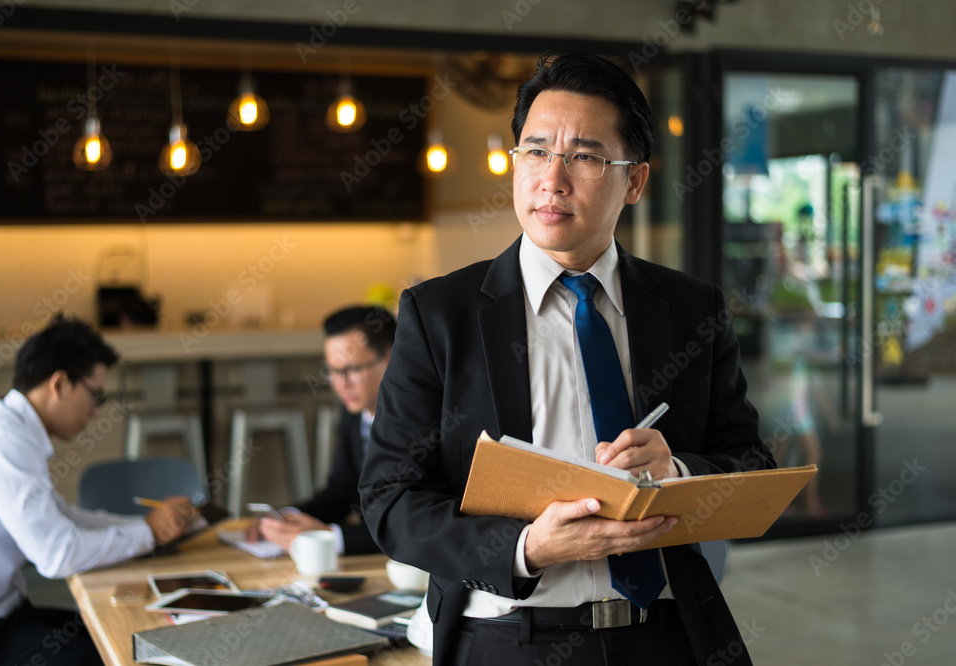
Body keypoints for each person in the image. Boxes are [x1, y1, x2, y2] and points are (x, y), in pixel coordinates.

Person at [359, 52, 776, 666]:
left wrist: (681, 472)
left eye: (584, 156)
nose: (552, 179)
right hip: (508, 640)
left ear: (633, 181)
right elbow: (389, 498)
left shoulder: (690, 308)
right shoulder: (439, 314)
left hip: (665, 634)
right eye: (534, 151)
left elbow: (750, 462)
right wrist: (526, 546)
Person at [0, 314, 195, 665]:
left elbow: (62, 516)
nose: (95, 412)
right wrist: (148, 532)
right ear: (59, 384)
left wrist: (148, 527)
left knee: (125, 635)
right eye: (95, 396)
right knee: (117, 650)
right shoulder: (4, 442)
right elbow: (57, 555)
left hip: (1, 614)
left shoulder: (6, 428)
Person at [253, 305, 395, 556]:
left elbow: (409, 526)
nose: (341, 384)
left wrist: (329, 539)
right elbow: (340, 492)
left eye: (351, 370)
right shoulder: (356, 412)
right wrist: (286, 518)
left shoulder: (418, 424)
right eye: (332, 371)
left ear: (390, 358)